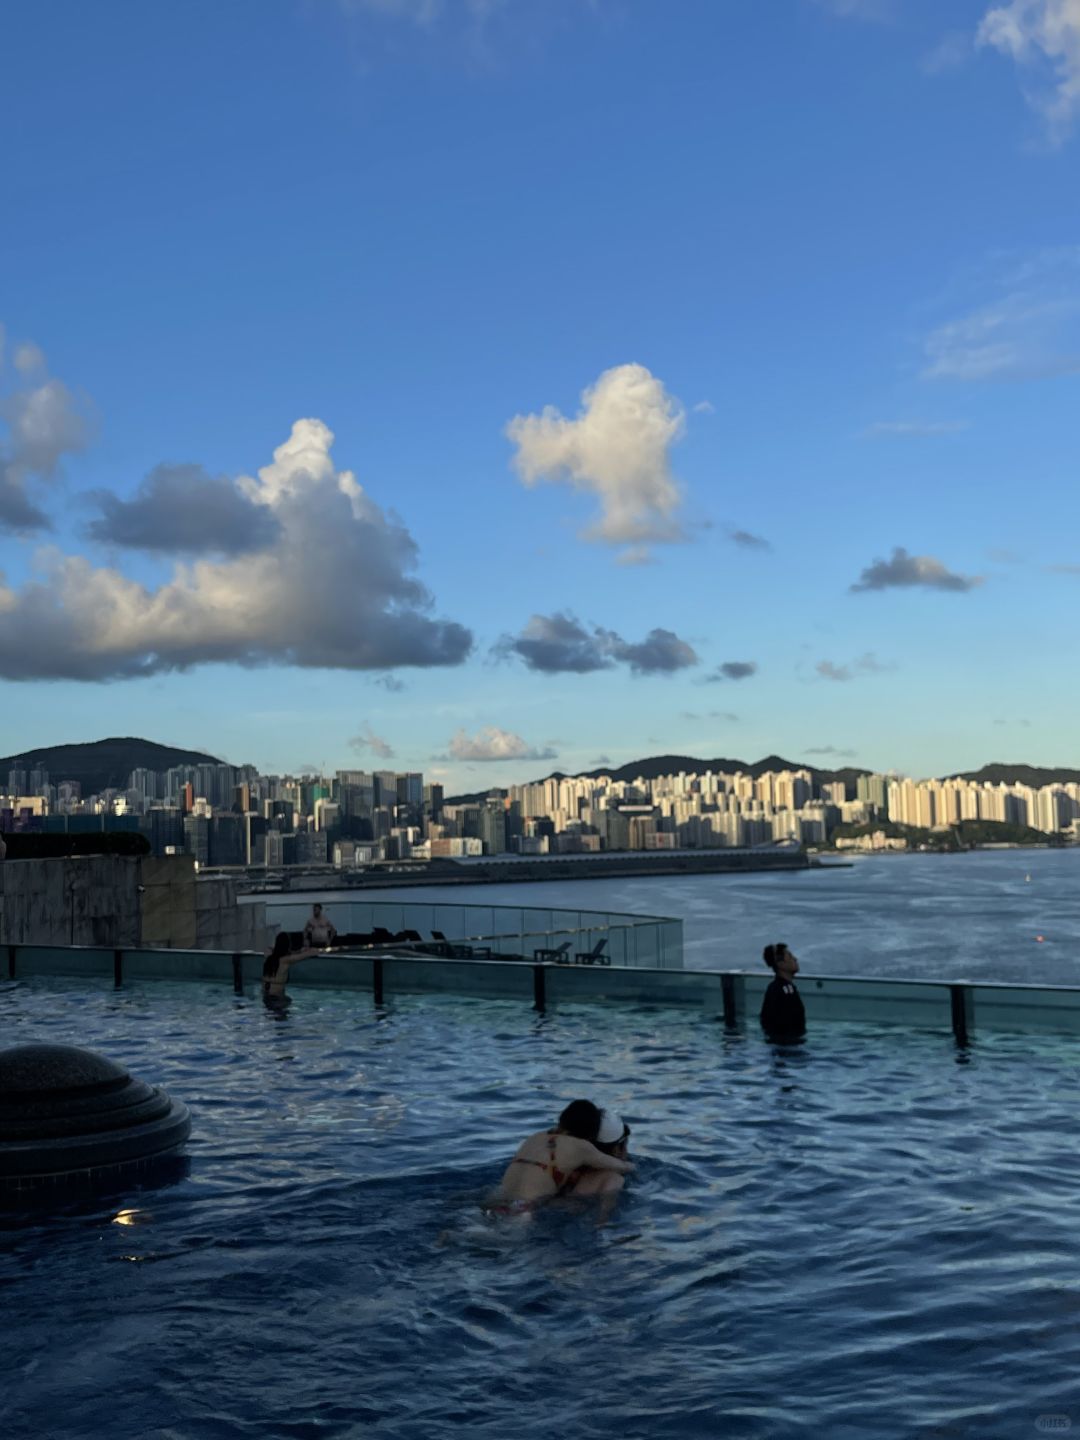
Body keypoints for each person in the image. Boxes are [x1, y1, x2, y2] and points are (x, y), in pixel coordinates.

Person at [488, 1100, 633, 1215]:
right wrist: (632, 1167)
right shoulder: (582, 1148)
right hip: (523, 1209)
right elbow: (621, 1166)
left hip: (496, 1197)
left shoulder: (536, 1137)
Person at [566, 1109, 631, 1202]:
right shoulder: (613, 1179)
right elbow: (604, 1215)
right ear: (616, 1150)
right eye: (626, 1143)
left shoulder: (567, 1169)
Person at [760, 942, 806, 1041]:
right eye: (789, 957)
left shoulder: (778, 988)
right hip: (788, 1047)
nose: (795, 959)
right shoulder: (785, 990)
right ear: (780, 964)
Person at [262, 931, 322, 1004]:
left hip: (265, 995)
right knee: (287, 1003)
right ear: (287, 945)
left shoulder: (269, 957)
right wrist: (307, 950)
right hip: (276, 997)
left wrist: (299, 950)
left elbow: (272, 950)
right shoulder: (285, 960)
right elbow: (312, 953)